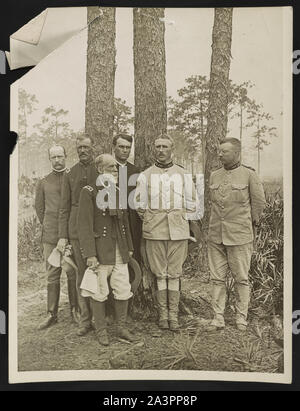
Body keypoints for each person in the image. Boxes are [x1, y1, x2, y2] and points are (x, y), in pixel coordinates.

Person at [135, 134, 197, 331]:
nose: (161, 150)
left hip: (178, 231)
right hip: (155, 231)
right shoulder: (145, 175)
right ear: (154, 149)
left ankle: (174, 316)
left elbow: (193, 202)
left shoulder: (183, 175)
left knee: (175, 274)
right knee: (160, 274)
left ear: (172, 149)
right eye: (158, 146)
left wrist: (179, 217)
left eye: (165, 147)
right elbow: (139, 205)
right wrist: (154, 218)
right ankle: (163, 316)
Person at [77, 154, 138, 346]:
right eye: (111, 167)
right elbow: (84, 226)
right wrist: (90, 254)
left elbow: (124, 222)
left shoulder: (118, 191)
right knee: (99, 291)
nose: (115, 170)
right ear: (100, 170)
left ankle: (121, 328)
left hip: (119, 248)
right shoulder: (89, 192)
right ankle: (101, 330)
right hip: (100, 250)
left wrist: (128, 247)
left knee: (123, 288)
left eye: (116, 168)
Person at [208, 137, 266, 332]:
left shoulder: (249, 175)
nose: (219, 154)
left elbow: (258, 204)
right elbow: (214, 204)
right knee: (217, 279)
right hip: (216, 235)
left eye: (224, 151)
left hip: (240, 236)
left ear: (236, 153)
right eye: (219, 151)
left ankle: (241, 317)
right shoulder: (214, 175)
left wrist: (247, 227)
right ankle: (218, 317)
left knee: (241, 278)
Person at [35, 145, 78, 330]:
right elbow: (39, 209)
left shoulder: (73, 178)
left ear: (66, 157)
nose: (57, 160)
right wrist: (50, 227)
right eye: (54, 157)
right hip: (51, 235)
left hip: (71, 234)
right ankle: (51, 313)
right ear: (50, 159)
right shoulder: (43, 182)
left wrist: (68, 233)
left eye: (60, 156)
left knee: (72, 272)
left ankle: (75, 310)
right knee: (52, 274)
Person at [58, 135, 98, 336]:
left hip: (98, 229)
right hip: (76, 232)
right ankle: (85, 319)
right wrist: (63, 236)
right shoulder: (70, 174)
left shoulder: (99, 170)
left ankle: (101, 317)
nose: (83, 150)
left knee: (100, 272)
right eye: (79, 147)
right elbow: (64, 208)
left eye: (86, 147)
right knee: (81, 274)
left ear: (92, 148)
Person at [112, 133, 142, 263]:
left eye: (128, 147)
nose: (125, 150)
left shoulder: (135, 170)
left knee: (134, 256)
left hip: (132, 221)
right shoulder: (109, 168)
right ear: (114, 148)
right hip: (113, 219)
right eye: (121, 146)